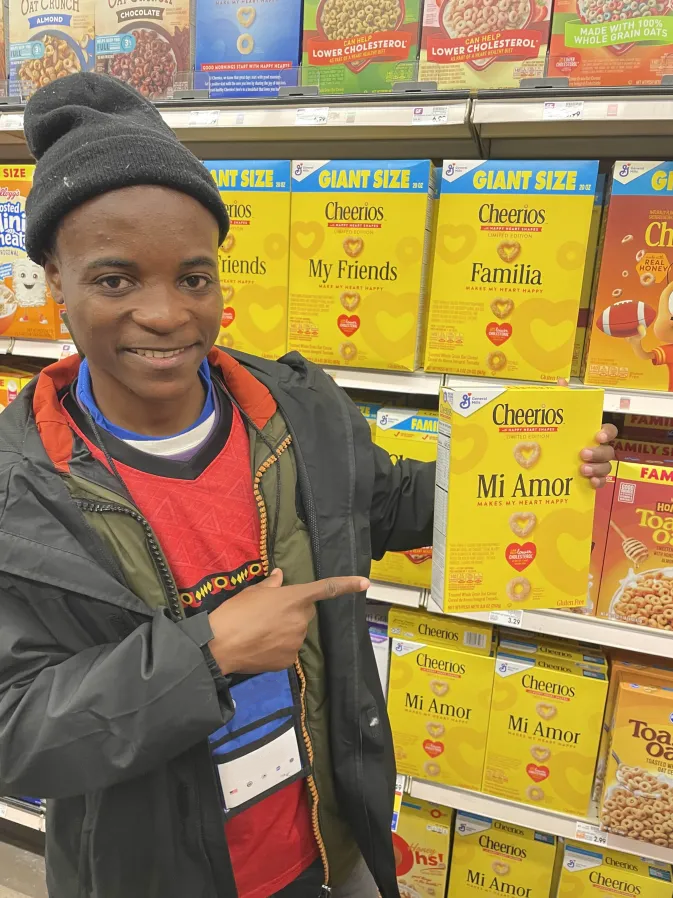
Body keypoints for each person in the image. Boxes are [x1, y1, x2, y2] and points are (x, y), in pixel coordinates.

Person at [0, 73, 617, 898]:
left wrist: (520, 477)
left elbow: (383, 504)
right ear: (54, 281)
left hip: (327, 841)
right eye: (116, 281)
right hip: (154, 871)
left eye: (194, 278)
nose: (166, 314)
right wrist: (207, 655)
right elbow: (17, 732)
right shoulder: (21, 493)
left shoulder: (294, 409)